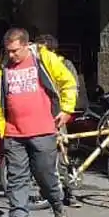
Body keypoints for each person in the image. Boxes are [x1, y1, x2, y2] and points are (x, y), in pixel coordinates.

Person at [0, 28, 76, 217]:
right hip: (13, 132)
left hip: (43, 130)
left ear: (26, 45)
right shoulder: (0, 67)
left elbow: (68, 83)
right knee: (16, 177)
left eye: (15, 51)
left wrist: (66, 110)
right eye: (7, 51)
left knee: (45, 175)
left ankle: (58, 206)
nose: (11, 55)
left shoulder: (44, 59)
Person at [34, 34, 82, 207]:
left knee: (61, 154)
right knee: (43, 155)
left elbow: (72, 86)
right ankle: (46, 190)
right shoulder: (36, 64)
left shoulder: (64, 64)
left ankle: (69, 191)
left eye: (41, 48)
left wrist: (64, 110)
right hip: (40, 114)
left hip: (56, 114)